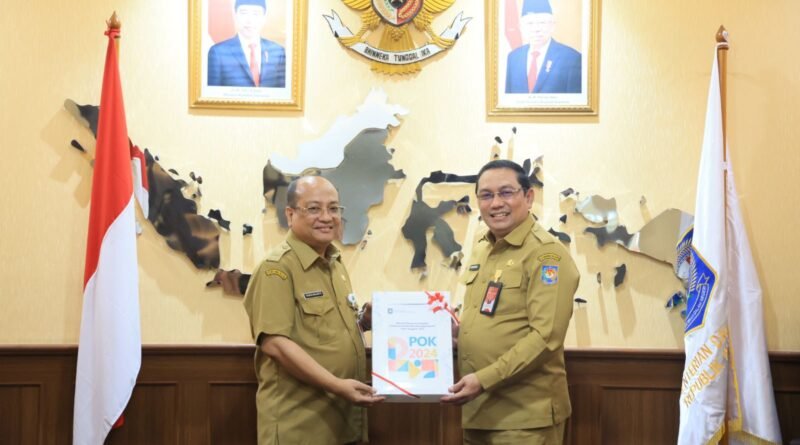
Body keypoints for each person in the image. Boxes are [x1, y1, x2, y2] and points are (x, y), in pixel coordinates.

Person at [442, 160, 580, 445]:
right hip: (478, 411)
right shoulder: (483, 248)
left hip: (524, 418)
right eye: (486, 195)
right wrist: (460, 335)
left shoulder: (547, 255)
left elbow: (545, 337)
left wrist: (483, 379)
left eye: (506, 192)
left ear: (528, 197)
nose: (495, 203)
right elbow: (495, 317)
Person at [243, 176, 383, 445]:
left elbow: (324, 330)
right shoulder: (277, 269)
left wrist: (363, 323)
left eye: (334, 208)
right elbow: (275, 344)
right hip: (301, 425)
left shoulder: (334, 263)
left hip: (343, 421)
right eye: (314, 208)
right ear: (290, 214)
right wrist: (337, 385)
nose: (327, 217)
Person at [505, 0, 582, 94]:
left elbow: (575, 101)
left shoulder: (572, 58)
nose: (536, 29)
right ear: (521, 27)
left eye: (542, 23)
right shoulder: (513, 57)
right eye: (530, 23)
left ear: (552, 26)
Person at [207, 0, 286, 88]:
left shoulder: (278, 52)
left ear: (264, 18)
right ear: (235, 15)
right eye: (244, 13)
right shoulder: (218, 53)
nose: (249, 20)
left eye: (255, 14)